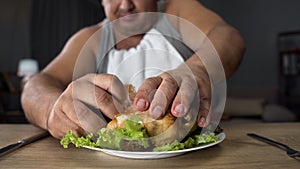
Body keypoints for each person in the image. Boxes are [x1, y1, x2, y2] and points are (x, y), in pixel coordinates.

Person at [21, 0, 245, 139]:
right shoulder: (91, 39)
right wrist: (51, 111)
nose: (126, 4)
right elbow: (36, 86)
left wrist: (197, 69)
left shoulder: (176, 11)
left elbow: (230, 37)